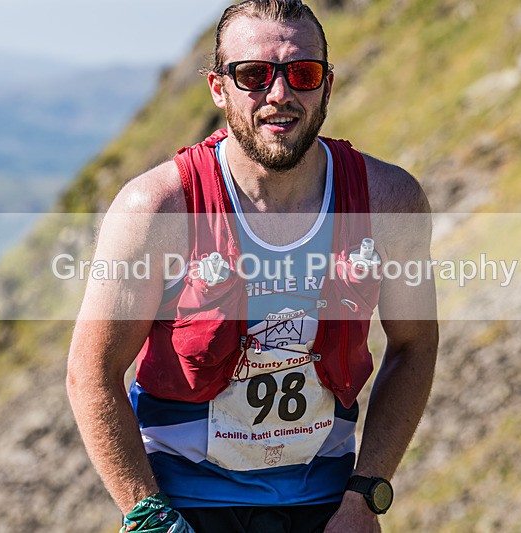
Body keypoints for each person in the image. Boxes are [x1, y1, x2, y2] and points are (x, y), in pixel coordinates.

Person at [66, 1, 438, 531]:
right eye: (253, 75)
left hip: (328, 509)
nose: (280, 94)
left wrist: (365, 494)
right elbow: (91, 373)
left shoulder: (387, 201)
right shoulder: (156, 209)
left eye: (302, 74)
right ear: (218, 88)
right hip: (184, 510)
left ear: (326, 86)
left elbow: (415, 345)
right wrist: (148, 516)